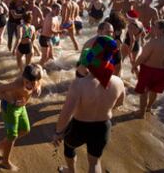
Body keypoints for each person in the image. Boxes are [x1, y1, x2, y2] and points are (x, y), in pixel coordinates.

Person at [53, 36, 125, 173]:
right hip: (103, 127)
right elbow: (120, 103)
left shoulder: (79, 84)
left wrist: (58, 132)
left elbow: (66, 113)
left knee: (69, 147)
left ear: (91, 57)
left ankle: (71, 171)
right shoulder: (118, 82)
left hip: (79, 127)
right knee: (95, 162)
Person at [0, 64, 43, 171]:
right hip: (10, 108)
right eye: (27, 82)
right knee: (12, 136)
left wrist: (38, 87)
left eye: (33, 83)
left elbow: (40, 72)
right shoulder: (17, 84)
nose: (30, 85)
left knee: (26, 129)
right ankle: (5, 162)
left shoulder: (37, 77)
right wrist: (11, 100)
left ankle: (2, 144)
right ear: (23, 77)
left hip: (21, 106)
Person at [132, 20, 164, 119]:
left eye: (155, 26)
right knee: (154, 91)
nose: (152, 27)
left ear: (161, 30)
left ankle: (141, 113)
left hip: (149, 70)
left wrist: (134, 65)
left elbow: (143, 57)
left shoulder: (153, 42)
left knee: (144, 92)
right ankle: (149, 107)